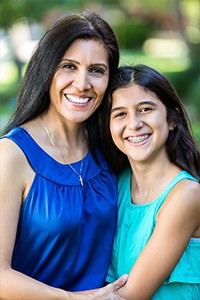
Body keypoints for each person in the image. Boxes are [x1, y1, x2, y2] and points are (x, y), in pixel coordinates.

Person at [0, 9, 127, 299]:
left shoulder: (111, 145)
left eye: (97, 70)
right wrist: (76, 299)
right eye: (69, 66)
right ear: (47, 70)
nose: (82, 83)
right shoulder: (12, 155)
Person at [99, 64, 200, 299]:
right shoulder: (116, 185)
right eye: (120, 114)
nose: (133, 123)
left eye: (145, 109)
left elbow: (129, 295)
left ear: (171, 119)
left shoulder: (187, 194)